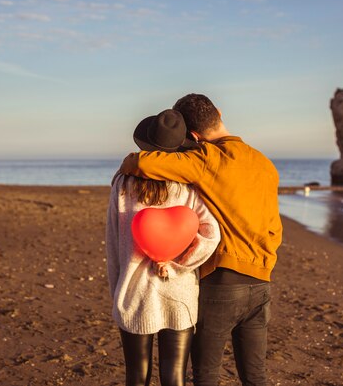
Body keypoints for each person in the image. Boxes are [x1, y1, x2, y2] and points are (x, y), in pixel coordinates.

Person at [120, 93, 283, 386]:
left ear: (193, 136)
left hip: (222, 284)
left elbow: (142, 164)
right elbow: (275, 227)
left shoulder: (206, 159)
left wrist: (131, 160)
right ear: (219, 112)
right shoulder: (265, 163)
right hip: (261, 283)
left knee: (207, 375)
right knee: (256, 375)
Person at [106, 109, 221, 386]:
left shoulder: (122, 183)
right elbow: (211, 234)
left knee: (136, 377)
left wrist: (117, 289)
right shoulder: (188, 187)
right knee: (175, 377)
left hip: (133, 292)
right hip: (179, 292)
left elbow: (112, 241)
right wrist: (178, 265)